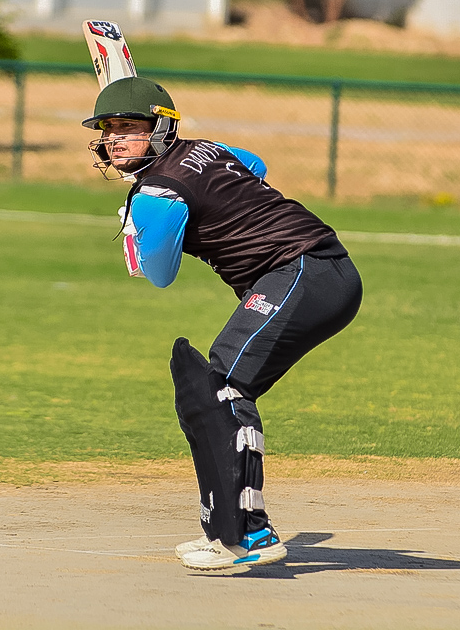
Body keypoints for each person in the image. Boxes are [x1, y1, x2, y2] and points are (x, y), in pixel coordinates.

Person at [82, 76, 362, 572]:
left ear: (160, 129)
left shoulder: (158, 194)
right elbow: (254, 164)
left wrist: (140, 225)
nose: (114, 139)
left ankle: (250, 533)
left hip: (301, 269)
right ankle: (225, 529)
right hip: (320, 270)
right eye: (108, 130)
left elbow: (159, 274)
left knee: (225, 385)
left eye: (128, 128)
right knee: (218, 386)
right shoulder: (206, 149)